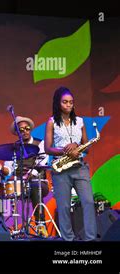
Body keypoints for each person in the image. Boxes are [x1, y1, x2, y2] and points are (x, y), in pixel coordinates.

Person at [44, 86, 97, 241]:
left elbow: (87, 147)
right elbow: (48, 148)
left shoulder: (80, 122)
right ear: (58, 103)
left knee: (88, 202)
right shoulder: (52, 122)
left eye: (71, 102)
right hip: (61, 169)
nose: (68, 105)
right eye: (65, 102)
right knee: (64, 207)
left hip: (80, 168)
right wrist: (66, 150)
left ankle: (90, 238)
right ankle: (68, 239)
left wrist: (77, 146)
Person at [0, 116, 49, 237]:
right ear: (17, 133)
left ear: (30, 129)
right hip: (18, 184)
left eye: (27, 128)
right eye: (21, 130)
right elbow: (9, 169)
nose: (25, 131)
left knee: (35, 186)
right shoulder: (13, 148)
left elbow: (42, 163)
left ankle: (41, 225)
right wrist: (1, 168)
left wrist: (30, 174)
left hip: (38, 181)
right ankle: (1, 227)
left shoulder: (40, 144)